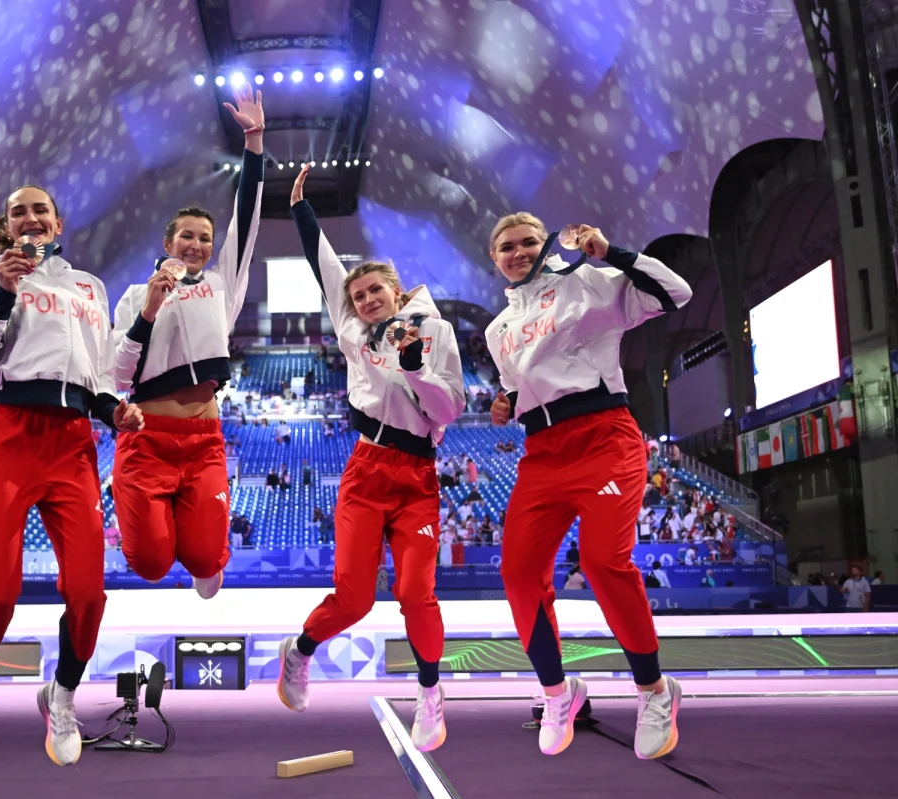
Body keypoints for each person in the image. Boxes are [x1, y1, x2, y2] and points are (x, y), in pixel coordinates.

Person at [0, 183, 144, 771]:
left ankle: (61, 697)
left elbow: (101, 370)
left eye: (40, 210)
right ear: (6, 226)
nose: (30, 218)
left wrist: (116, 411)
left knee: (88, 592)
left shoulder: (91, 287)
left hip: (71, 444)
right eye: (18, 211)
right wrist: (5, 296)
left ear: (58, 224)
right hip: (5, 435)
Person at [486, 212, 692, 759]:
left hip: (604, 440)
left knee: (603, 561)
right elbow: (517, 387)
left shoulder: (587, 282)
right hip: (542, 455)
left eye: (530, 241)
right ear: (495, 259)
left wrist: (610, 252)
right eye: (507, 247)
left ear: (547, 243)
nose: (519, 252)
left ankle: (654, 690)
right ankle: (558, 693)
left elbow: (677, 291)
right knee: (519, 573)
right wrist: (506, 403)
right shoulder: (496, 330)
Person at [276, 164, 466, 752]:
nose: (364, 300)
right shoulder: (353, 330)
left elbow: (450, 409)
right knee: (355, 598)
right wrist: (302, 209)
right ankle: (300, 651)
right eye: (357, 297)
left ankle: (431, 695)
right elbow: (325, 267)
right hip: (366, 470)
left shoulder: (435, 332)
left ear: (396, 288)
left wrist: (416, 369)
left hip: (418, 478)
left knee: (417, 594)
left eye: (374, 291)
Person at [109, 85, 265, 599]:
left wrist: (255, 142)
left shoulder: (222, 286)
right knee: (151, 563)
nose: (197, 245)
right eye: (187, 237)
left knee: (203, 559)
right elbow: (118, 374)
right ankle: (162, 532)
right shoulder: (134, 296)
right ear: (167, 243)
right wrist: (150, 310)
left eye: (205, 238)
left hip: (203, 443)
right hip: (147, 440)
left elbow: (247, 220)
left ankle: (201, 547)